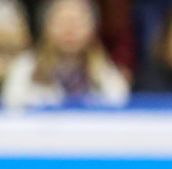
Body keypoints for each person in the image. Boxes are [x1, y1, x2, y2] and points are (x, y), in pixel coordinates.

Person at [1, 0, 129, 106]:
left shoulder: (103, 71)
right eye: (61, 22)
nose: (69, 30)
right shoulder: (26, 67)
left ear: (92, 28)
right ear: (46, 26)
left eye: (78, 23)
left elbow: (119, 102)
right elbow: (12, 107)